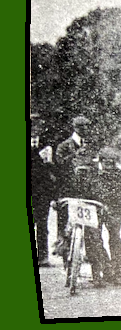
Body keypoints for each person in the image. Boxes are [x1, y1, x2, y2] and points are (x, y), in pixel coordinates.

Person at [54, 115, 112, 285]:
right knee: (66, 233)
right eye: (81, 128)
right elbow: (59, 169)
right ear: (75, 128)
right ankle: (69, 271)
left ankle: (97, 275)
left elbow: (98, 172)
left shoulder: (93, 148)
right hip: (69, 194)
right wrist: (75, 154)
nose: (85, 130)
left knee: (93, 235)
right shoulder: (64, 146)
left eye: (87, 127)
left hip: (89, 196)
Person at [96, 147, 121, 282]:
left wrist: (107, 206)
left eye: (111, 163)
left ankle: (118, 273)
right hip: (98, 208)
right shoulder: (96, 174)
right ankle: (107, 268)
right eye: (105, 162)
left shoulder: (119, 175)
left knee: (115, 237)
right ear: (101, 161)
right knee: (95, 238)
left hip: (113, 209)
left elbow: (118, 195)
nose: (108, 166)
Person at [30, 113, 57, 267]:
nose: (35, 129)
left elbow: (51, 170)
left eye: (37, 126)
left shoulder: (47, 145)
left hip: (42, 190)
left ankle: (43, 256)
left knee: (42, 223)